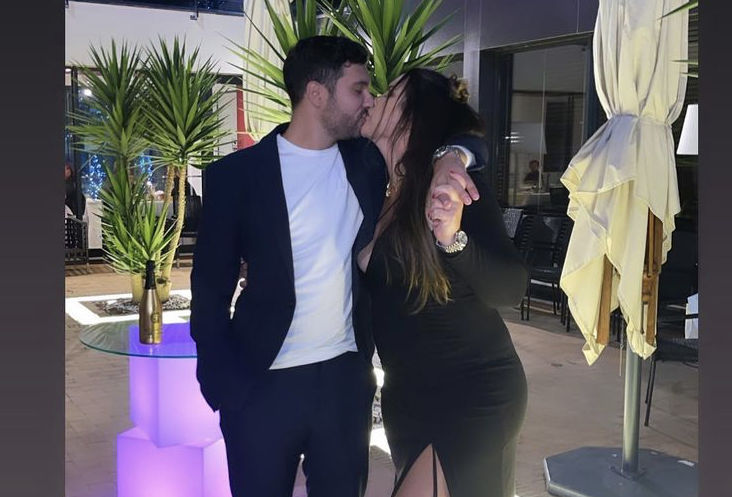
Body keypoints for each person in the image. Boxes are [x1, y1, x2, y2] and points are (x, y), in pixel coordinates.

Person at [190, 36, 487, 497]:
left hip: (343, 385)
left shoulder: (367, 163)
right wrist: (220, 383)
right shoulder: (236, 177)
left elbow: (455, 130)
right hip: (261, 384)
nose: (369, 100)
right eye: (358, 89)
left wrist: (455, 155)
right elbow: (209, 289)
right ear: (316, 93)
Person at [358, 68, 529, 497]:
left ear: (414, 116)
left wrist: (453, 238)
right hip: (406, 398)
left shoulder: (448, 189)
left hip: (472, 391)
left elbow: (510, 288)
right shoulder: (378, 190)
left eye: (391, 93)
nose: (376, 97)